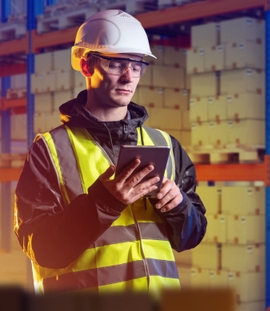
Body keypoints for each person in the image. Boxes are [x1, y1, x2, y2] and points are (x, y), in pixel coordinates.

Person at [14, 9, 207, 295]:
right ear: (86, 66)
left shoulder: (164, 145)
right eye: (117, 64)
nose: (129, 77)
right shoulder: (51, 151)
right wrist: (104, 202)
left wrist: (179, 207)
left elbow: (191, 235)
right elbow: (41, 248)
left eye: (137, 64)